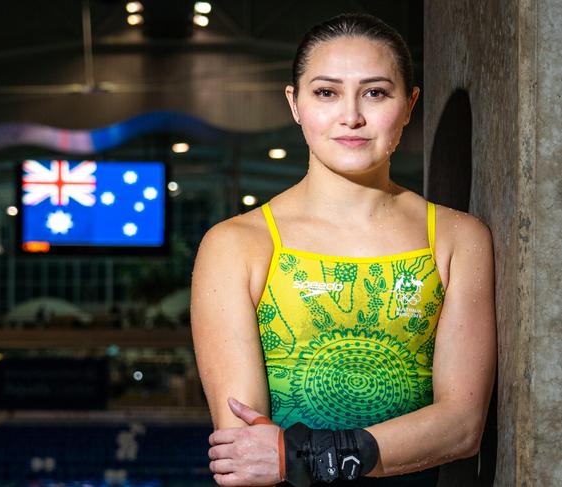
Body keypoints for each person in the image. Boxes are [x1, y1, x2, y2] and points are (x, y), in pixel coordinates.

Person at [191, 12, 496, 487]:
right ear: (295, 104)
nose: (351, 115)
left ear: (410, 103)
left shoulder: (458, 239)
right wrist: (380, 448)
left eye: (375, 92)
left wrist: (305, 454)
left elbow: (460, 427)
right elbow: (248, 451)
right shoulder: (237, 245)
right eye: (326, 92)